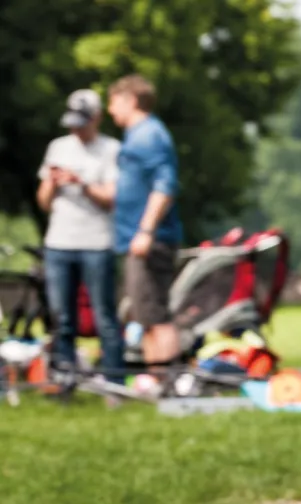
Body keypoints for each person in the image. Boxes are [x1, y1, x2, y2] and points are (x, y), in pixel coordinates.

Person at [35, 89, 126, 386]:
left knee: (104, 319)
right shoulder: (58, 148)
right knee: (61, 319)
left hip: (96, 244)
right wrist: (52, 182)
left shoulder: (112, 149)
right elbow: (44, 202)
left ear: (97, 118)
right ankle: (65, 382)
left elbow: (111, 198)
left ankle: (113, 384)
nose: (76, 129)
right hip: (59, 243)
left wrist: (81, 183)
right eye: (72, 123)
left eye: (82, 122)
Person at [106, 74, 183, 371]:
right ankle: (156, 380)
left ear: (130, 100)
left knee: (156, 314)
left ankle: (169, 382)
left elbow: (165, 186)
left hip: (150, 239)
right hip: (136, 238)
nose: (111, 111)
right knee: (146, 315)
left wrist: (146, 230)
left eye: (113, 103)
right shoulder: (137, 135)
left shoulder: (149, 135)